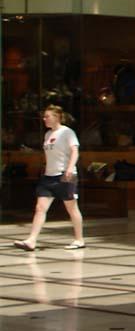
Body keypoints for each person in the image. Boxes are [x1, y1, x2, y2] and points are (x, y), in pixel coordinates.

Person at [14, 105, 86, 251]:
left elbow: (75, 151)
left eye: (47, 116)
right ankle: (31, 240)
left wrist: (70, 169)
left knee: (71, 207)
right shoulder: (47, 135)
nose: (44, 119)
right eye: (44, 116)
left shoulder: (67, 132)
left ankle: (79, 239)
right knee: (40, 208)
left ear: (57, 117)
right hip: (49, 176)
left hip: (66, 175)